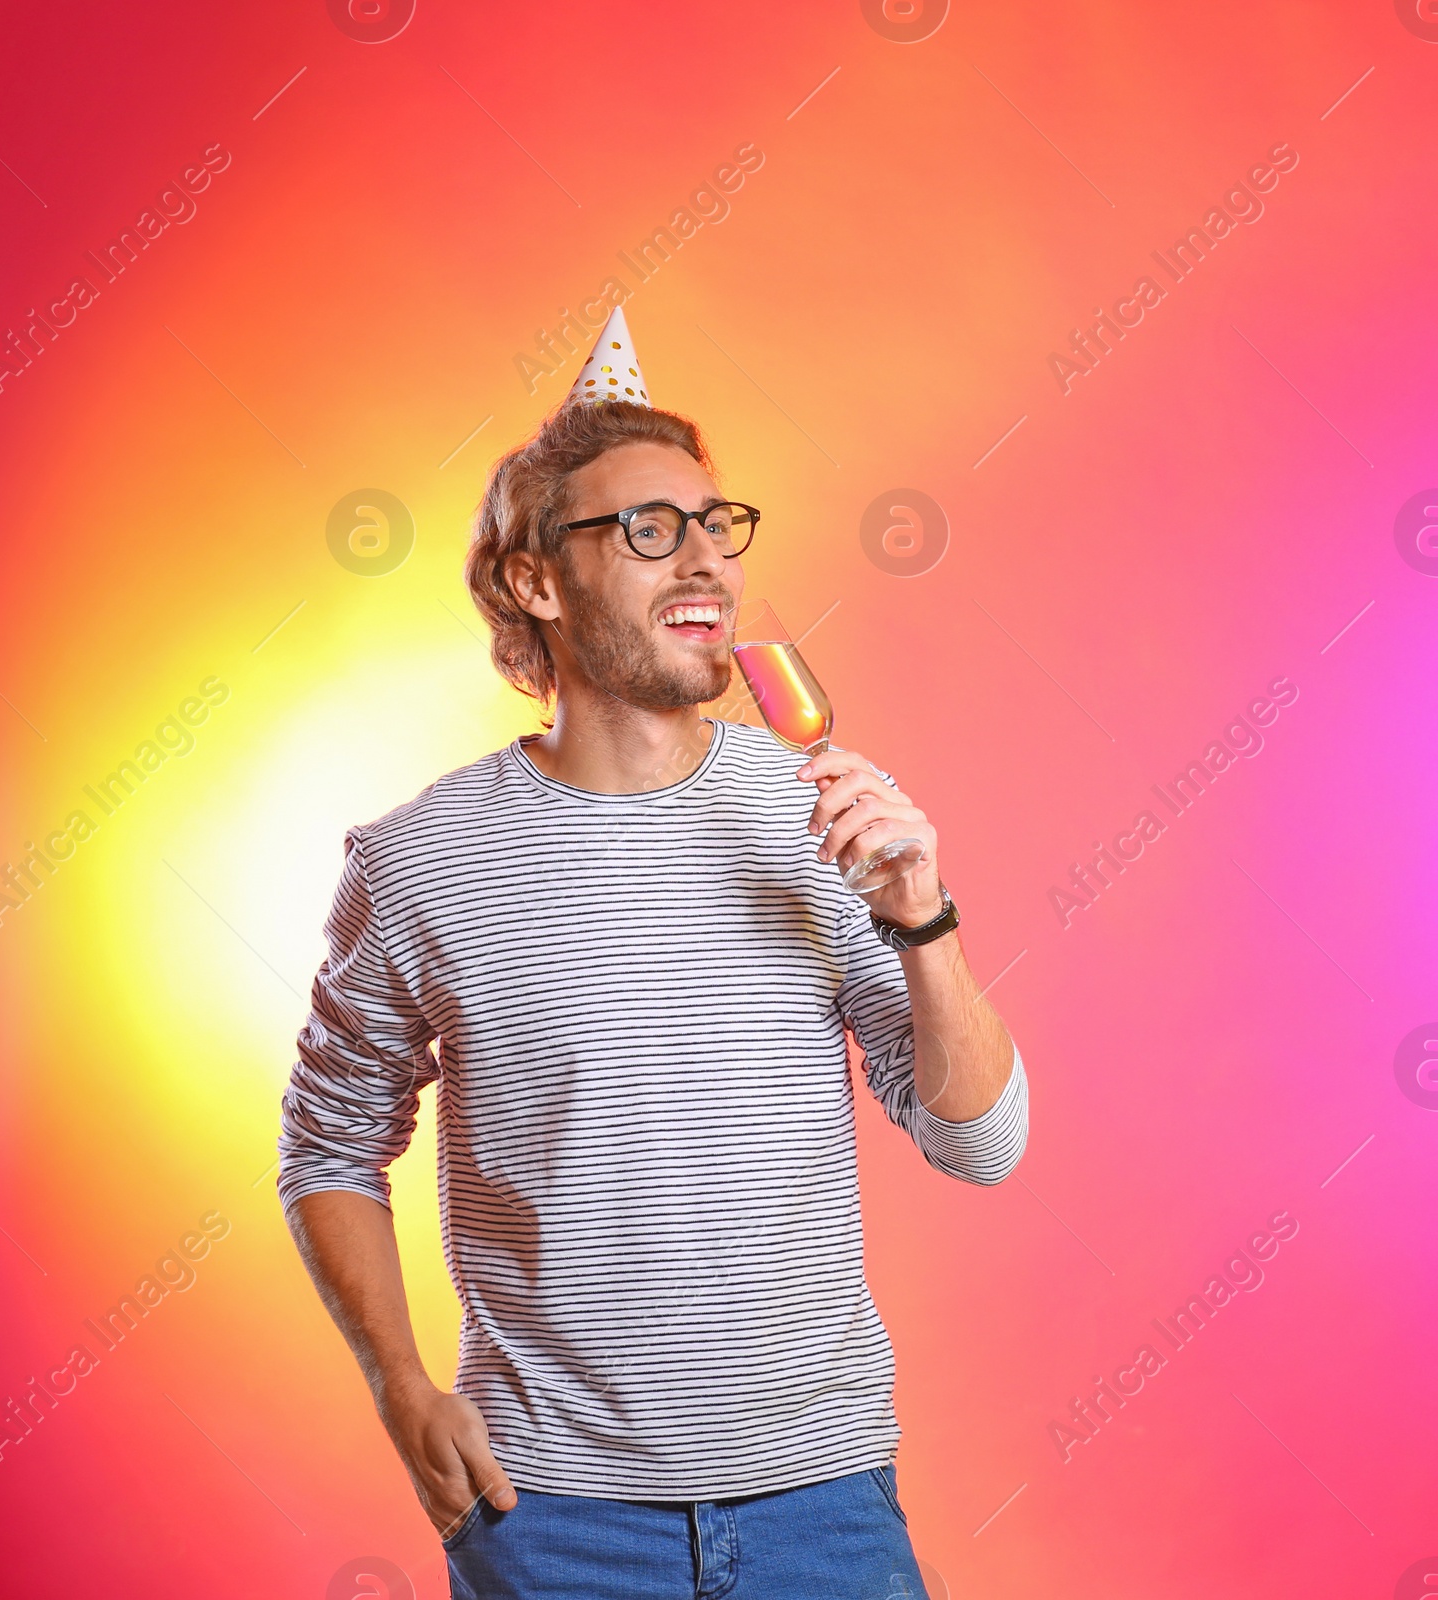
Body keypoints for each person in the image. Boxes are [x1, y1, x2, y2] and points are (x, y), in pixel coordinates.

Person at [278, 308, 1028, 1600]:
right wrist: (405, 1390)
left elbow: (982, 1145)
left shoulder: (816, 809)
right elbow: (330, 1145)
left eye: (713, 522)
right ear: (532, 582)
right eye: (647, 528)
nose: (706, 564)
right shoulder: (415, 863)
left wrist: (922, 915)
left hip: (824, 1501)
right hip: (553, 1521)